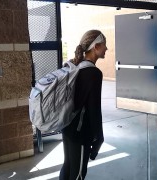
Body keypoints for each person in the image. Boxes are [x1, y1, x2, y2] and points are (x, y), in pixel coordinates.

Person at [59, 29, 108, 180]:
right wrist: (99, 137)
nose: (107, 48)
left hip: (67, 126)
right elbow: (94, 110)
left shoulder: (74, 66)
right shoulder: (93, 73)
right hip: (81, 133)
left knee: (67, 167)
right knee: (78, 174)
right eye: (104, 45)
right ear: (96, 47)